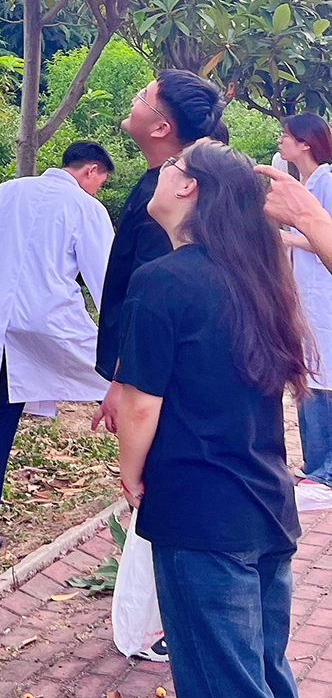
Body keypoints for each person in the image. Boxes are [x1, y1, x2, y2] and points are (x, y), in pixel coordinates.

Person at [116, 140, 322, 698]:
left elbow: (140, 403)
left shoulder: (165, 281)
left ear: (192, 191)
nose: (159, 176)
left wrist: (132, 476)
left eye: (172, 170)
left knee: (227, 693)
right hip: (262, 505)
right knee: (263, 680)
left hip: (201, 514)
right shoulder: (256, 275)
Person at [0, 141, 115, 551]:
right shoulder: (86, 208)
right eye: (99, 181)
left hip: (3, 323)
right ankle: (151, 484)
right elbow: (105, 277)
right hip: (54, 322)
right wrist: (121, 338)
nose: (97, 189)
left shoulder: (7, 192)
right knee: (126, 389)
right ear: (91, 170)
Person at [93, 69, 228, 433]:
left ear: (161, 128)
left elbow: (153, 298)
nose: (133, 98)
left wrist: (123, 380)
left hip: (161, 382)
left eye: (143, 95)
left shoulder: (168, 200)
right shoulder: (161, 182)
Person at [276, 113, 332, 506]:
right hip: (308, 297)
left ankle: (325, 471)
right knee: (309, 375)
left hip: (323, 296)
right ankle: (315, 463)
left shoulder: (326, 181)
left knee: (323, 379)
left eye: (286, 135)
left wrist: (289, 239)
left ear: (305, 143)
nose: (280, 141)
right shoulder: (304, 183)